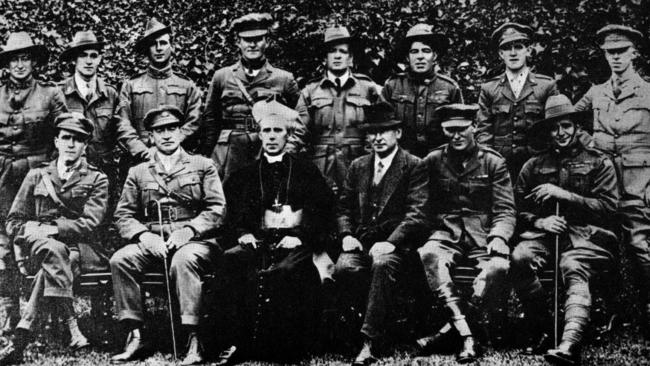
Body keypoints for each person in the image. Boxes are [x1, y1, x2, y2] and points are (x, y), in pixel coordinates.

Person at [217, 100, 334, 365]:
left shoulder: (306, 171)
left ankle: (285, 346)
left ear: (288, 135)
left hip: (297, 242)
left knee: (286, 272)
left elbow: (322, 210)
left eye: (277, 131)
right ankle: (236, 342)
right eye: (266, 131)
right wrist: (242, 234)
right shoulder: (244, 175)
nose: (271, 137)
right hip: (258, 240)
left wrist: (302, 235)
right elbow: (233, 215)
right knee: (232, 260)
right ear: (259, 134)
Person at [109, 106, 225, 365]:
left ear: (181, 132)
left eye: (172, 128)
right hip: (155, 241)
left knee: (183, 260)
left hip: (196, 241)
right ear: (150, 136)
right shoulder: (138, 172)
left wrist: (190, 229)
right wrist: (143, 236)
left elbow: (218, 208)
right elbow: (123, 215)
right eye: (159, 130)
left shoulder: (202, 165)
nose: (167, 135)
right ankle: (136, 335)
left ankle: (193, 337)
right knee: (121, 259)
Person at [512, 94, 618, 365]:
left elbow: (609, 208)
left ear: (576, 128)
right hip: (546, 235)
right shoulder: (534, 165)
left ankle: (569, 342)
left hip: (588, 237)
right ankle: (547, 328)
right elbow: (514, 208)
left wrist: (565, 195)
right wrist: (539, 222)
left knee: (572, 264)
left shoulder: (598, 162)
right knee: (520, 258)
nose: (560, 133)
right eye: (554, 128)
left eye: (567, 126)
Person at [0, 114, 108, 365]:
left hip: (83, 249)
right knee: (55, 251)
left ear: (85, 145)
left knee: (58, 252)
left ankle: (22, 333)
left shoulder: (97, 179)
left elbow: (91, 223)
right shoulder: (37, 175)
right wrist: (33, 230)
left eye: (78, 140)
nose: (71, 144)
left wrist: (53, 230)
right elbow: (14, 221)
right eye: (66, 138)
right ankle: (72, 328)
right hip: (38, 248)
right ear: (57, 141)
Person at [416, 104, 516, 363]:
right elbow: (420, 205)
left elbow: (505, 209)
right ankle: (468, 337)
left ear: (474, 128)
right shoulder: (433, 160)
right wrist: (431, 230)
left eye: (462, 129)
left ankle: (452, 331)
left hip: (483, 235)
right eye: (450, 130)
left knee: (497, 267)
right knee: (429, 254)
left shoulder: (493, 161)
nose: (456, 136)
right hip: (446, 232)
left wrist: (499, 236)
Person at [334, 102, 428, 365]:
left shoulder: (414, 165)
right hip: (361, 243)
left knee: (382, 264)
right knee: (344, 268)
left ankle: (369, 342)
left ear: (397, 133)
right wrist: (346, 235)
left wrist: (390, 243)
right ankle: (350, 334)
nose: (377, 138)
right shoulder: (359, 166)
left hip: (399, 248)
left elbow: (417, 214)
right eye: (372, 132)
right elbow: (343, 207)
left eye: (384, 131)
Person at [574, 24, 650, 336]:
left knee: (639, 245)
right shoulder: (596, 92)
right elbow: (565, 121)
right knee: (599, 244)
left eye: (621, 52)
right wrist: (588, 141)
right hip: (602, 184)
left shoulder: (648, 92)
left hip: (638, 183)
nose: (616, 58)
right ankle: (609, 311)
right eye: (610, 53)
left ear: (635, 53)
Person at [0, 31, 68, 337]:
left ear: (33, 61)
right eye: (14, 58)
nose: (19, 64)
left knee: (41, 239)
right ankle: (9, 312)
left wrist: (51, 173)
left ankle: (51, 316)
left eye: (24, 57)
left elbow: (66, 135)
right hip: (2, 178)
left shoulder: (50, 94)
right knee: (3, 243)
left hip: (38, 179)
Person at [201, 13, 301, 181]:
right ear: (238, 42)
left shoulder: (284, 79)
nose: (252, 45)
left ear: (267, 42)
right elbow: (211, 119)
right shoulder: (222, 76)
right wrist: (208, 155)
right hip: (229, 151)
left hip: (267, 146)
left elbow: (300, 120)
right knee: (229, 198)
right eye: (247, 40)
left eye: (258, 39)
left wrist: (289, 148)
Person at [296, 25, 382, 195]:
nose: (337, 56)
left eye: (342, 52)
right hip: (320, 168)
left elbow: (380, 128)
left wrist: (368, 161)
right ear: (324, 58)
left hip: (358, 165)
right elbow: (299, 131)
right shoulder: (310, 91)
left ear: (350, 57)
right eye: (331, 51)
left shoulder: (368, 89)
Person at [476, 22, 558, 179]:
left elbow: (555, 126)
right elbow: (483, 130)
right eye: (507, 48)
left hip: (538, 166)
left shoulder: (546, 86)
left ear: (528, 50)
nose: (513, 53)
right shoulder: (489, 88)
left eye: (518, 47)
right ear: (500, 54)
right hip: (501, 166)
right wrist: (488, 163)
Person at [116, 18, 202, 165]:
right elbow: (122, 123)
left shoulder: (186, 85)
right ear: (146, 49)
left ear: (171, 47)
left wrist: (171, 145)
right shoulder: (131, 85)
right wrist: (143, 151)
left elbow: (195, 121)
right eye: (153, 44)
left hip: (178, 162)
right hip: (139, 161)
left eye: (163, 43)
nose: (159, 48)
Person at [59, 30, 121, 218]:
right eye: (83, 55)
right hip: (71, 173)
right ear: (74, 60)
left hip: (103, 174)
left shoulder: (110, 95)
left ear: (100, 59)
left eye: (93, 56)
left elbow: (120, 132)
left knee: (100, 228)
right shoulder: (59, 93)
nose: (88, 61)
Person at [382, 23, 463, 157]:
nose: (420, 57)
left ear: (435, 56)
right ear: (407, 57)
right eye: (414, 52)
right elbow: (382, 127)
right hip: (402, 159)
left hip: (440, 160)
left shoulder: (449, 87)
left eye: (426, 51)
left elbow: (459, 128)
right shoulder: (393, 86)